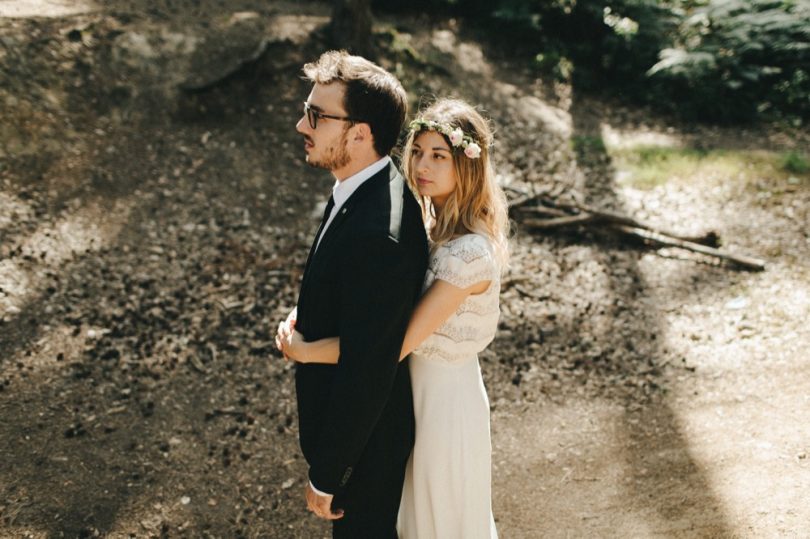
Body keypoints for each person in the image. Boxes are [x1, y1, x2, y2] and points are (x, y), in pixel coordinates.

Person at [279, 98, 509, 538]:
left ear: (468, 166)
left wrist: (306, 351)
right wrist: (307, 311)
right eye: (418, 151)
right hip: (410, 395)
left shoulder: (467, 256)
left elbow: (390, 345)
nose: (423, 165)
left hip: (443, 406)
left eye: (439, 156)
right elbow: (378, 304)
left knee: (437, 522)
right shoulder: (428, 227)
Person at [277, 50, 429, 538]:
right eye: (308, 110)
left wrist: (328, 474)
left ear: (360, 134)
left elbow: (369, 365)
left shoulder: (378, 233)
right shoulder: (360, 185)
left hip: (366, 452)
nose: (303, 124)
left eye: (317, 116)